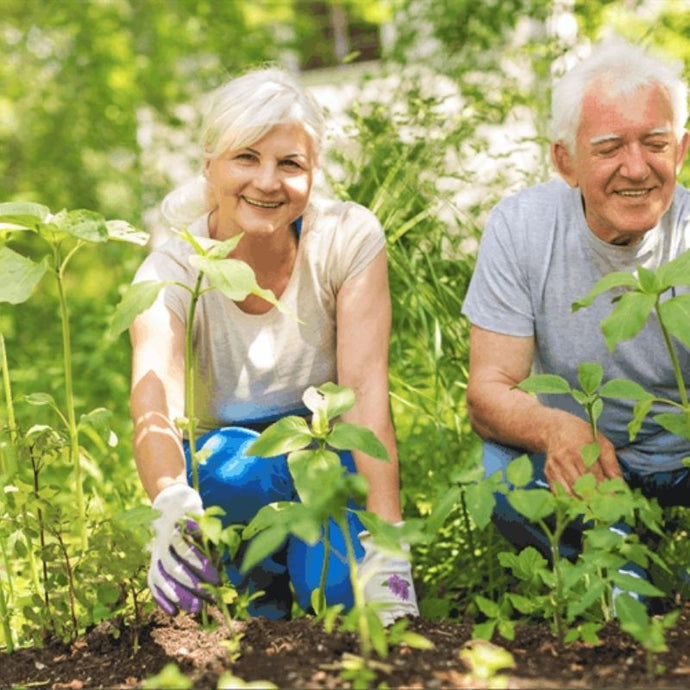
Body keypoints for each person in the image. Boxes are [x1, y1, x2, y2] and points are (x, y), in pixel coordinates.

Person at [129, 67, 419, 623]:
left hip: (325, 460)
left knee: (347, 601)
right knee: (237, 612)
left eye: (290, 164)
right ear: (209, 162)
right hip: (225, 474)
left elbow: (364, 394)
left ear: (313, 174)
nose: (267, 181)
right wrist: (169, 503)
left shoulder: (347, 239)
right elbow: (154, 400)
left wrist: (389, 542)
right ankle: (251, 590)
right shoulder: (170, 268)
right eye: (246, 158)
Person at [462, 40, 690, 574]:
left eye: (655, 144)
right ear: (566, 160)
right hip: (583, 459)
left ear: (680, 150)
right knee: (503, 476)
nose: (636, 169)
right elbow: (488, 391)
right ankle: (618, 569)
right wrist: (558, 430)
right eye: (610, 148)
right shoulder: (522, 227)